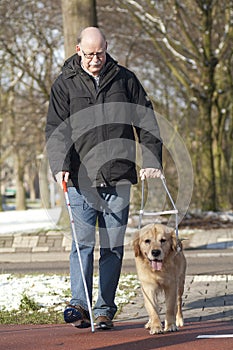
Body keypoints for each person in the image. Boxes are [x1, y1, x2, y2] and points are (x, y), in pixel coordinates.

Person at [46, 27, 163, 330]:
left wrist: (151, 159)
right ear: (78, 50)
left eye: (100, 53)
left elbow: (146, 119)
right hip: (79, 180)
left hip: (118, 176)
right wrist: (59, 165)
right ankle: (79, 305)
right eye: (89, 54)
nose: (95, 59)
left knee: (112, 248)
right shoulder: (65, 84)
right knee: (82, 245)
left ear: (107, 48)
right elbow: (56, 129)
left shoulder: (125, 79)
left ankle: (104, 310)